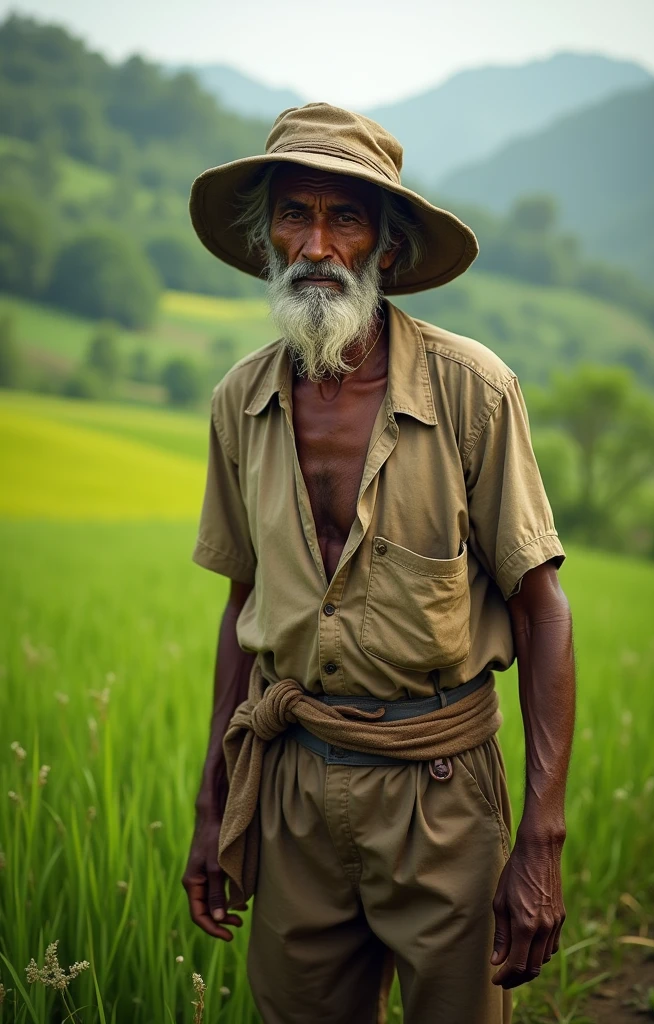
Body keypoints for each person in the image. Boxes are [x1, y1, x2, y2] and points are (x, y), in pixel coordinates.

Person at [183, 102, 575, 1024]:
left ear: (386, 248)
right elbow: (245, 607)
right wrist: (214, 805)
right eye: (295, 215)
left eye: (345, 218)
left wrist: (542, 837)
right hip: (291, 789)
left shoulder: (472, 389)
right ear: (266, 237)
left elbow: (543, 609)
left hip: (440, 788)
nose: (317, 244)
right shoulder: (239, 402)